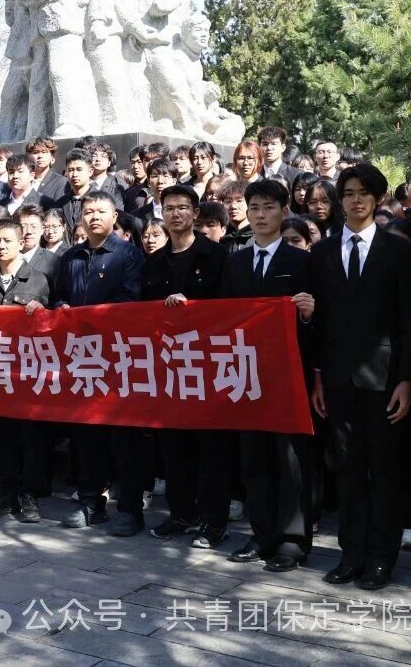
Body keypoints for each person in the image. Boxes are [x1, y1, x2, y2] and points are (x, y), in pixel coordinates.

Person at [310, 163, 411, 591]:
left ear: (377, 198)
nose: (356, 200)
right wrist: (319, 376)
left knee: (384, 469)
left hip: (386, 379)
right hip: (338, 379)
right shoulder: (323, 251)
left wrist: (406, 379)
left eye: (363, 193)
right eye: (348, 193)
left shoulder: (397, 250)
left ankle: (380, 559)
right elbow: (320, 322)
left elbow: (409, 321)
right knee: (348, 468)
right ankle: (351, 554)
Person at [222, 180, 317, 573]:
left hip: (289, 376)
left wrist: (308, 315)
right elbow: (221, 318)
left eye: (268, 207)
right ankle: (261, 535)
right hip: (247, 375)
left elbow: (319, 323)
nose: (260, 215)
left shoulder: (302, 261)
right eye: (254, 208)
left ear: (283, 211)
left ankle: (293, 541)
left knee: (291, 461)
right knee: (255, 458)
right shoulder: (236, 262)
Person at [141, 185, 229, 546]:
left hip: (207, 364)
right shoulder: (153, 261)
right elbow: (141, 314)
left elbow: (229, 309)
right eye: (169, 208)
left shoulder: (216, 255)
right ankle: (181, 514)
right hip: (168, 366)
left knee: (210, 448)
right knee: (174, 446)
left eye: (182, 207)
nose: (175, 214)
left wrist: (192, 308)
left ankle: (213, 520)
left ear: (195, 213)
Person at [56, 190, 143, 528]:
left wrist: (89, 318)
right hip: (82, 357)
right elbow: (60, 295)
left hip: (119, 356)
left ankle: (130, 510)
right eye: (88, 211)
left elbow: (130, 299)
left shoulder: (128, 254)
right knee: (86, 434)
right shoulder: (72, 256)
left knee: (124, 438)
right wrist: (63, 307)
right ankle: (91, 502)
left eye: (101, 211)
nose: (94, 217)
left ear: (114, 216)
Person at [0, 219, 53, 523]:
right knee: (3, 437)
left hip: (30, 372)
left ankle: (30, 494)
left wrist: (42, 312)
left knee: (32, 438)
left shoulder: (38, 280)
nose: (1, 246)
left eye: (7, 240)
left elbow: (52, 324)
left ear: (21, 243)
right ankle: (5, 492)